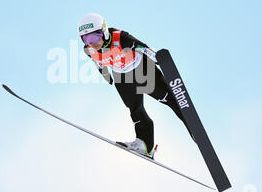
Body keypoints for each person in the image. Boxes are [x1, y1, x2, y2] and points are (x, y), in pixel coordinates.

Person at [79, 13, 194, 158]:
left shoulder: (120, 38)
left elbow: (143, 48)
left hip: (142, 71)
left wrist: (160, 60)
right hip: (121, 77)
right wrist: (106, 76)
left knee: (171, 99)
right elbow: (98, 63)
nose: (91, 42)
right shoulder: (88, 49)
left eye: (94, 37)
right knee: (135, 109)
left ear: (104, 31)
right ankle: (145, 145)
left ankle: (194, 130)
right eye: (86, 38)